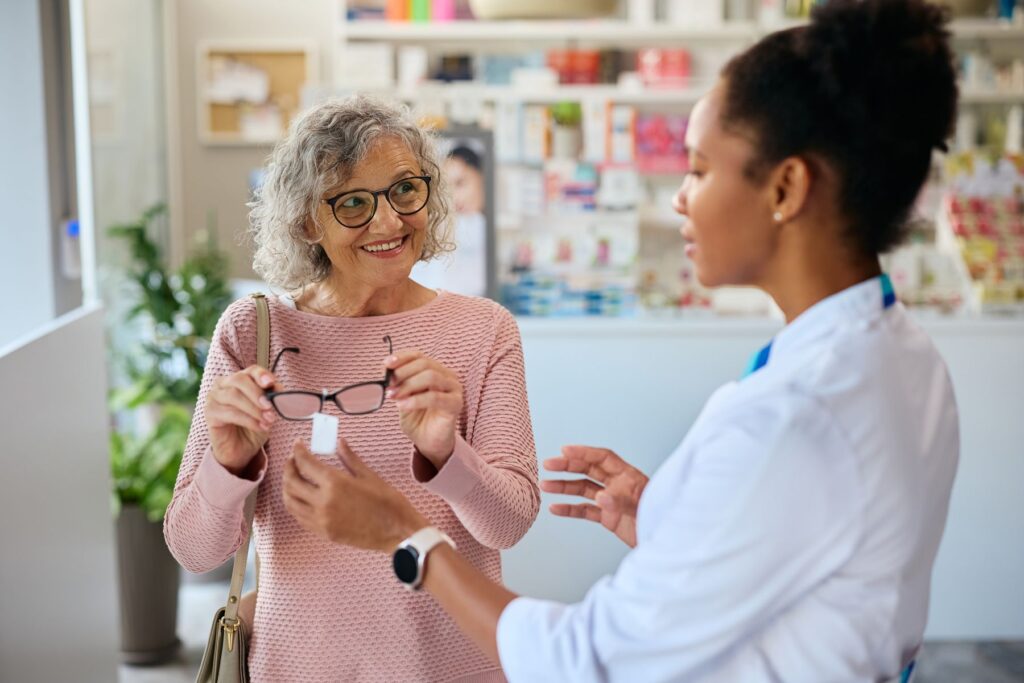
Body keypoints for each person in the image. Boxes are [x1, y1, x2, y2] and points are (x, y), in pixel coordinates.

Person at [278, 1, 961, 680]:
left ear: (785, 188)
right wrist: (672, 523)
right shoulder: (903, 353)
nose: (680, 197)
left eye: (698, 168)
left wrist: (408, 537)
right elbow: (812, 556)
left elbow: (585, 659)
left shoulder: (788, 418)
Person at [164, 96, 540, 682]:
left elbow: (509, 524)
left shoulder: (483, 330)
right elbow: (195, 550)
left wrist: (446, 453)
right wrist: (229, 463)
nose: (389, 223)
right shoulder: (253, 331)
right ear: (309, 221)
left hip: (450, 668)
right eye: (354, 203)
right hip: (295, 669)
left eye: (404, 191)